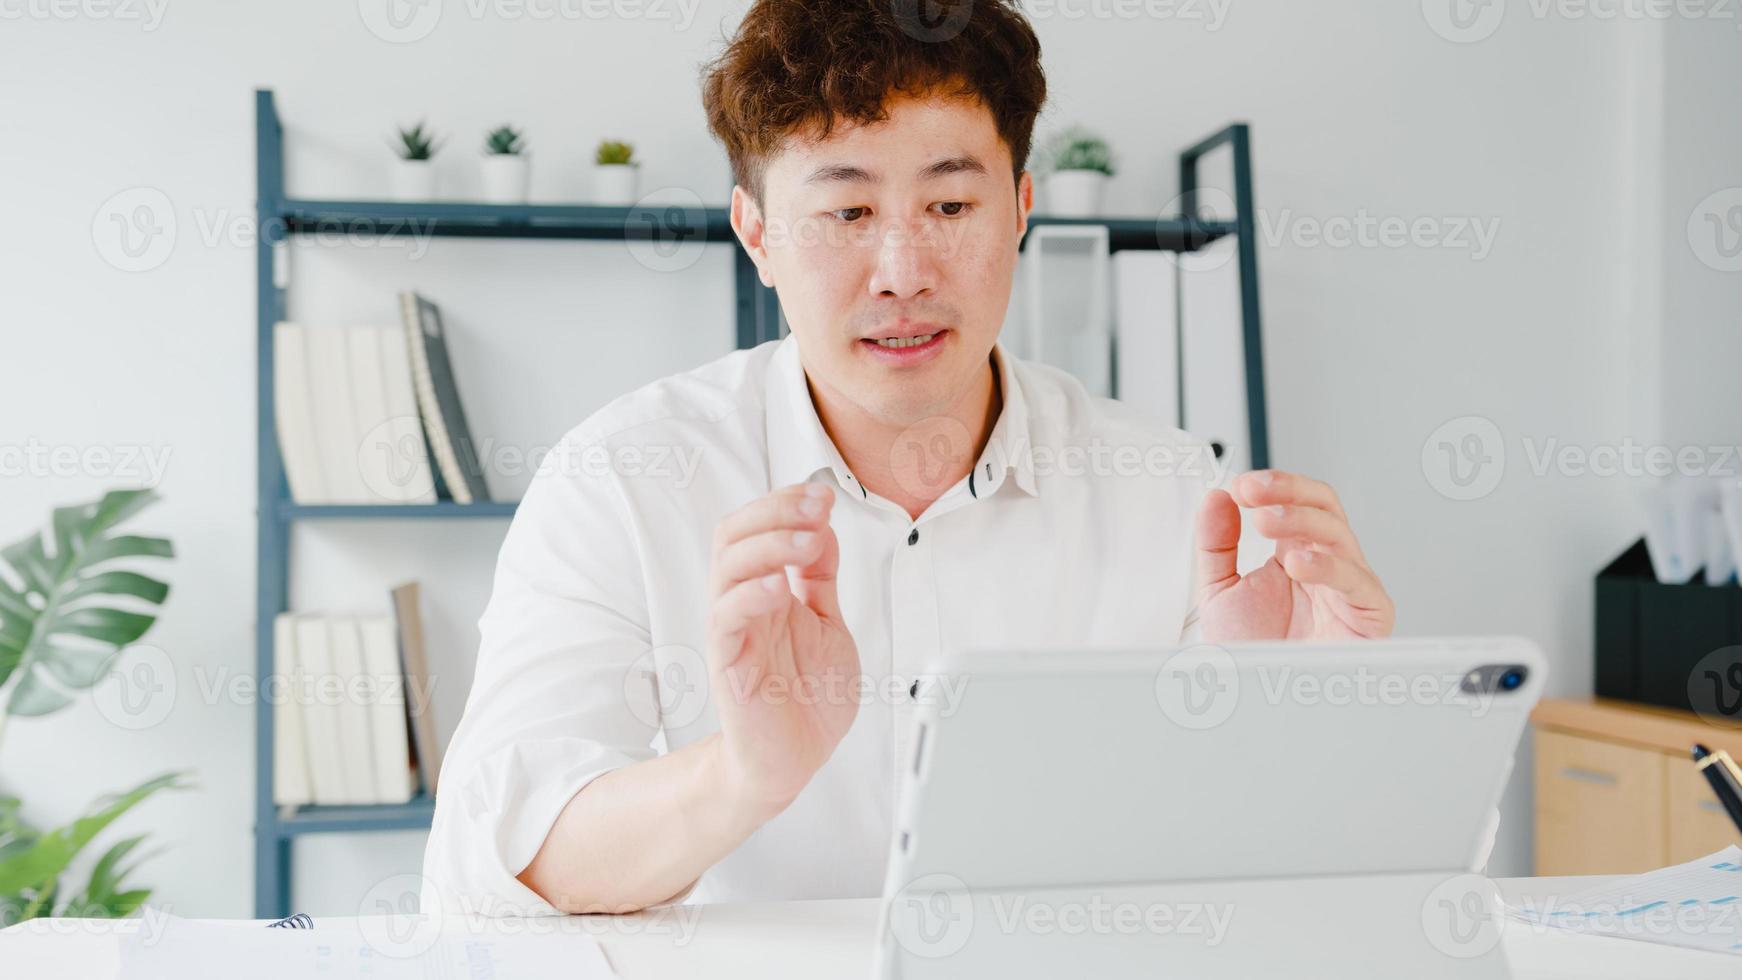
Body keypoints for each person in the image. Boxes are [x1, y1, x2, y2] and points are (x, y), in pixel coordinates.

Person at [421, 0, 1394, 916]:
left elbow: (1264, 889)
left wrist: (1302, 722)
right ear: (755, 233)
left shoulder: (1174, 492)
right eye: (846, 214)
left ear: (1018, 208)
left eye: (949, 206)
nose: (901, 273)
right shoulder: (621, 481)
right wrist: (741, 774)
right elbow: (492, 862)